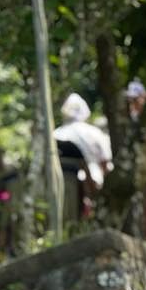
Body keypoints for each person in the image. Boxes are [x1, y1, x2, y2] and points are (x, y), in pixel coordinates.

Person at [54, 93, 112, 223]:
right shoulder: (94, 133)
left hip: (60, 184)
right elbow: (105, 163)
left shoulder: (55, 134)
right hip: (89, 183)